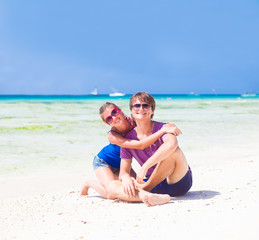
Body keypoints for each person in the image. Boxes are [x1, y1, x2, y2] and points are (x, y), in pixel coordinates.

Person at [80, 102, 182, 206]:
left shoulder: (135, 119)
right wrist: (162, 131)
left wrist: (168, 127)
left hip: (123, 163)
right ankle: (88, 182)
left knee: (136, 186)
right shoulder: (112, 135)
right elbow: (141, 145)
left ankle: (132, 196)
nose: (114, 118)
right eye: (109, 119)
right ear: (108, 123)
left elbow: (151, 123)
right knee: (110, 194)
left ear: (120, 110)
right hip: (104, 162)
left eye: (114, 112)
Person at [115, 92, 192, 198]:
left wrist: (145, 167)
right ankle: (145, 193)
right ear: (132, 110)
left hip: (176, 182)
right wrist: (127, 179)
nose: (141, 109)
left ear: (152, 110)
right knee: (114, 184)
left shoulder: (164, 127)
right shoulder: (128, 139)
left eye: (145, 106)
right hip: (154, 183)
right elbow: (123, 172)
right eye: (137, 106)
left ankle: (145, 190)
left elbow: (171, 145)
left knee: (174, 152)